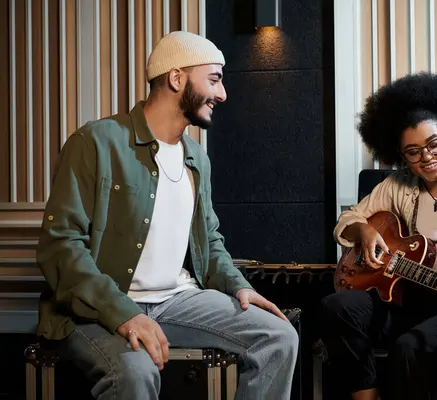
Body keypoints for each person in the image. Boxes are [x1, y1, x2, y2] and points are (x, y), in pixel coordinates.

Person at [36, 31, 298, 400]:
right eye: (214, 79)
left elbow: (211, 241)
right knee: (135, 372)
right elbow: (60, 246)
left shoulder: (196, 159)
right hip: (98, 309)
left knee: (279, 336)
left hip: (177, 300)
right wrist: (124, 313)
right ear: (177, 78)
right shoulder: (96, 142)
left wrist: (238, 286)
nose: (222, 94)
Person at [320, 72, 437, 400]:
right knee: (336, 306)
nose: (426, 157)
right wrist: (363, 230)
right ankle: (365, 394)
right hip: (403, 300)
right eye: (412, 152)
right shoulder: (398, 185)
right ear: (401, 156)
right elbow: (347, 221)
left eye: (433, 143)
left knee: (408, 348)